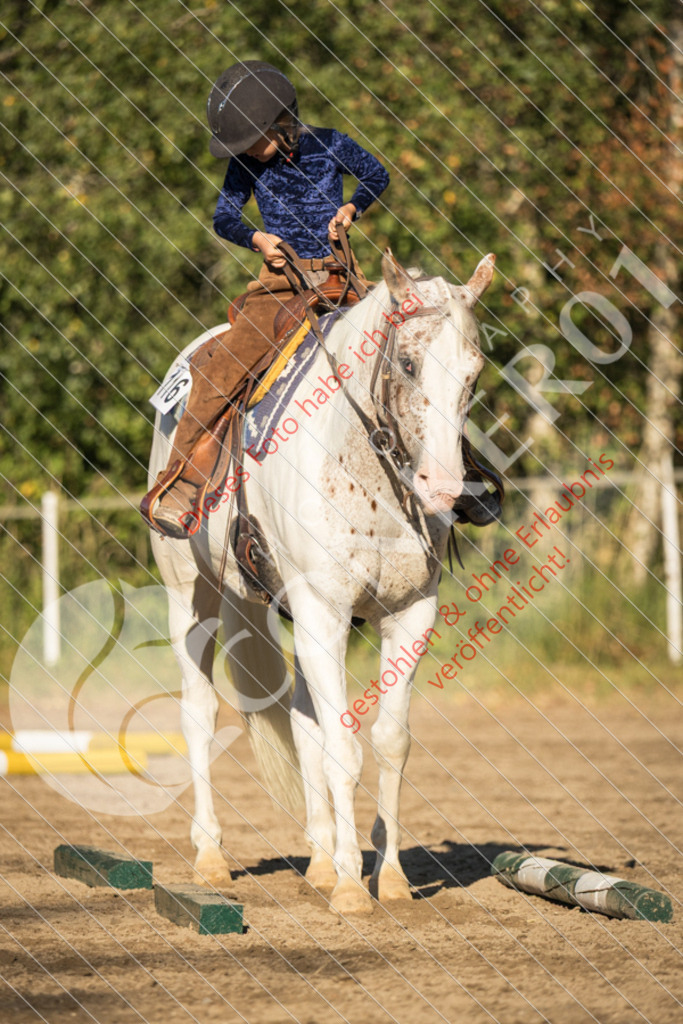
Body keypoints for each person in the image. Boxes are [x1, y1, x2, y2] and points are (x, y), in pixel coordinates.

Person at [142, 61, 390, 539]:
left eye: (254, 139)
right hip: (279, 286)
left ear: (283, 121)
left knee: (410, 342)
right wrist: (256, 238)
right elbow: (224, 218)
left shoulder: (330, 143)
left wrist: (352, 207)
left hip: (341, 277)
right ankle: (181, 483)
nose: (249, 151)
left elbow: (376, 175)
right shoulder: (244, 164)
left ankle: (457, 467)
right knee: (221, 369)